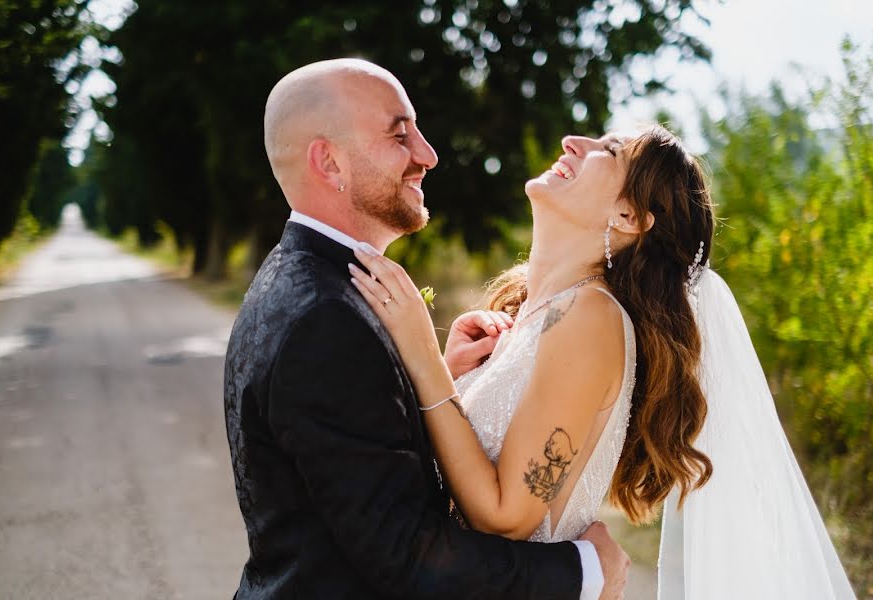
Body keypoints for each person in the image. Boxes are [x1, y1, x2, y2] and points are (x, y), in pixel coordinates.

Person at [351, 125, 857, 599]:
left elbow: (507, 517)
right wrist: (454, 375)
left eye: (610, 151)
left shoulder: (591, 319)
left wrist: (423, 360)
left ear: (629, 217)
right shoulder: (531, 318)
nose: (574, 141)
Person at [223, 58, 630, 599]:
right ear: (330, 162)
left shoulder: (310, 280)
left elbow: (367, 470)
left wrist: (434, 376)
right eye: (400, 135)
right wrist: (585, 571)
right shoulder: (327, 318)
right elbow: (404, 555)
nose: (428, 155)